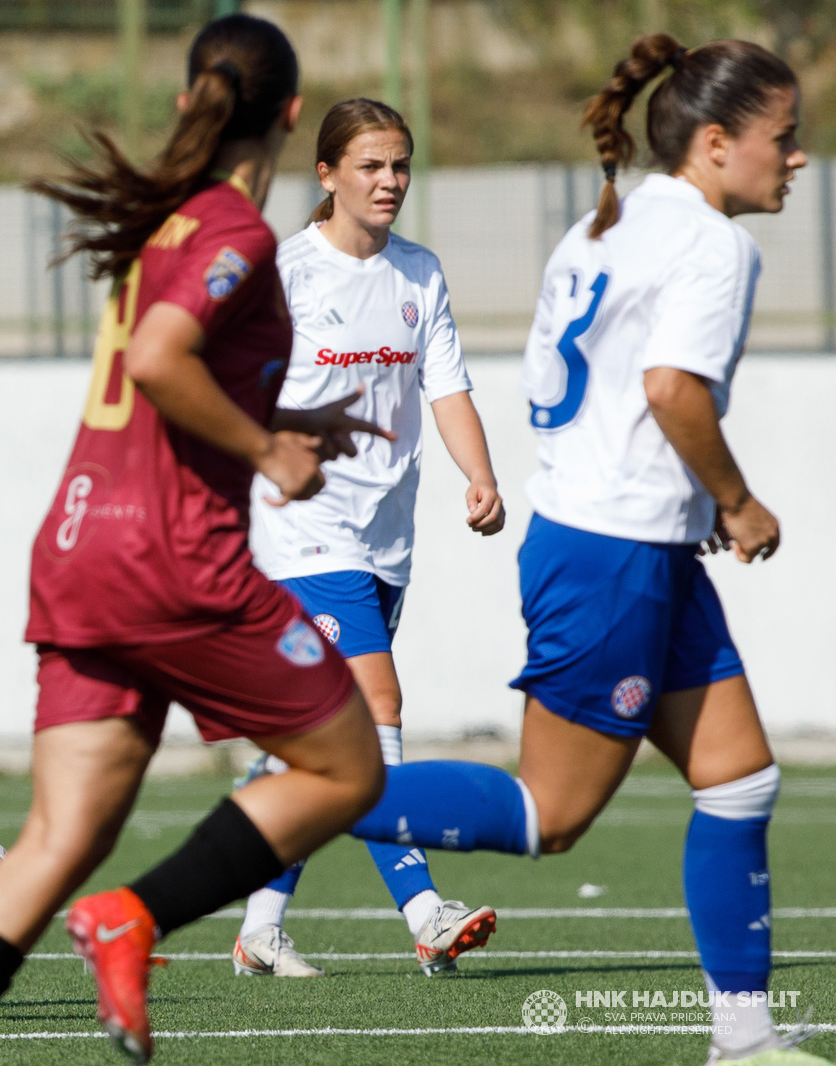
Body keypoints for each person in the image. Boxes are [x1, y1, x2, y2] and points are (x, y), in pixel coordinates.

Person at [0, 17, 390, 1066]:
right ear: (291, 114)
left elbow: (163, 374)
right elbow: (158, 359)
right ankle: (133, 917)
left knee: (60, 838)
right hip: (172, 564)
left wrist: (274, 428)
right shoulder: (236, 231)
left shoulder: (168, 223)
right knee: (348, 766)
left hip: (76, 550)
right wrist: (271, 454)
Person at [339, 34, 829, 1066]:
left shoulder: (604, 223)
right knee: (547, 815)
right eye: (784, 139)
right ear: (712, 141)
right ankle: (297, 798)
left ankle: (742, 1037)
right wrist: (737, 502)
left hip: (624, 542)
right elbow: (669, 389)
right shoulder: (711, 244)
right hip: (615, 552)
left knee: (738, 780)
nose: (797, 159)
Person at [230, 97, 506, 980]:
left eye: (400, 166)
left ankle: (259, 926)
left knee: (314, 745)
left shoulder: (419, 273)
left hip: (388, 533)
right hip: (300, 533)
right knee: (374, 707)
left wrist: (480, 475)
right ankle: (425, 912)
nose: (389, 182)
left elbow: (447, 386)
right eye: (370, 167)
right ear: (326, 175)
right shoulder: (285, 275)